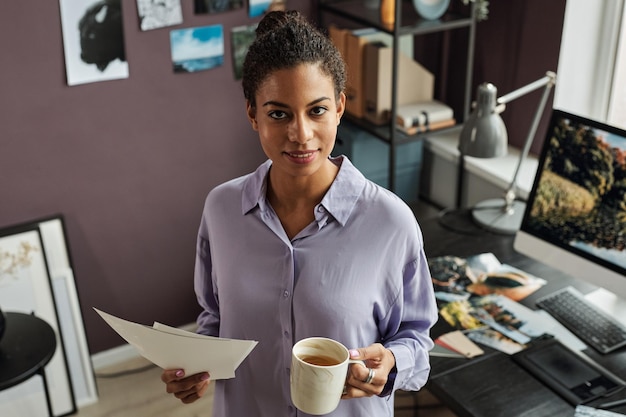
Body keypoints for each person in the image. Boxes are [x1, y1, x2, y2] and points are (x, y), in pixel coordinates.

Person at [161, 10, 438, 417]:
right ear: (252, 114)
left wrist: (394, 364)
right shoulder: (221, 210)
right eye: (278, 114)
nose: (301, 134)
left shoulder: (391, 223)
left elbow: (417, 340)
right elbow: (214, 318)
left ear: (340, 107)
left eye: (317, 110)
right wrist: (194, 368)